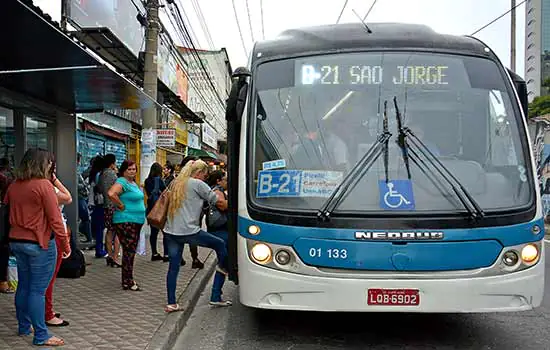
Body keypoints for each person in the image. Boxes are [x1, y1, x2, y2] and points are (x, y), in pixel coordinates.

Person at [6, 148, 70, 347]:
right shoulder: (44, 186)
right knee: (37, 291)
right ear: (44, 164)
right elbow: (55, 219)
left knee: (23, 287)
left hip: (16, 241)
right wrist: (65, 244)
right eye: (50, 162)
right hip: (40, 243)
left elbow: (8, 206)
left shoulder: (14, 185)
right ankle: (41, 335)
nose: (52, 165)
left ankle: (24, 326)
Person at [163, 160, 228, 312]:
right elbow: (218, 202)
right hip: (189, 231)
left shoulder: (175, 182)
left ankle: (171, 303)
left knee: (173, 268)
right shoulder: (198, 184)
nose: (205, 178)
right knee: (220, 244)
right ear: (199, 173)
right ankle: (224, 268)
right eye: (205, 175)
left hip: (171, 232)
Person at [108, 160, 146, 291]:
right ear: (124, 170)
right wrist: (120, 205)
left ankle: (128, 279)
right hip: (126, 221)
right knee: (129, 251)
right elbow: (111, 194)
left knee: (130, 251)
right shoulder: (122, 182)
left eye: (134, 169)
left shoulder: (132, 183)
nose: (132, 171)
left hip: (135, 221)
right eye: (129, 169)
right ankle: (127, 281)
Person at [45, 157, 72, 327]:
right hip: (52, 236)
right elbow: (67, 197)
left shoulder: (24, 185)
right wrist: (54, 179)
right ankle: (46, 313)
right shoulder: (47, 188)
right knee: (48, 278)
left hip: (42, 236)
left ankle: (45, 310)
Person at [205, 170, 231, 306]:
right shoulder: (216, 191)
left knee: (224, 261)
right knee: (224, 261)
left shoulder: (218, 190)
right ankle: (215, 295)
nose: (227, 182)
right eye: (225, 179)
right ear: (218, 181)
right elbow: (223, 205)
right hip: (220, 231)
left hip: (220, 231)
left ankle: (216, 295)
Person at [177, 156, 204, 269]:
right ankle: (194, 258)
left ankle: (180, 258)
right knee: (193, 235)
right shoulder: (195, 181)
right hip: (193, 213)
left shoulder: (178, 179)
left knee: (180, 235)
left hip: (179, 212)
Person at [98, 154, 121, 266]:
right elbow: (120, 188)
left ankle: (109, 255)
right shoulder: (112, 174)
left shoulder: (102, 174)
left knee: (109, 231)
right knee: (117, 232)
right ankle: (115, 257)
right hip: (115, 206)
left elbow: (100, 188)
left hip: (106, 206)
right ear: (112, 163)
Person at [144, 162, 167, 261]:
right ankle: (166, 254)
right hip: (160, 210)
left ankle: (154, 253)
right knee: (165, 232)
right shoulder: (159, 180)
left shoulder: (147, 181)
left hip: (151, 209)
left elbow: (149, 195)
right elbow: (166, 192)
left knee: (154, 233)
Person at [77, 153, 92, 244]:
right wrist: (84, 185)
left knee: (85, 218)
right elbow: (75, 183)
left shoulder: (78, 170)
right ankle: (88, 238)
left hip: (82, 196)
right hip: (79, 197)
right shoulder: (73, 170)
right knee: (86, 218)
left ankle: (88, 238)